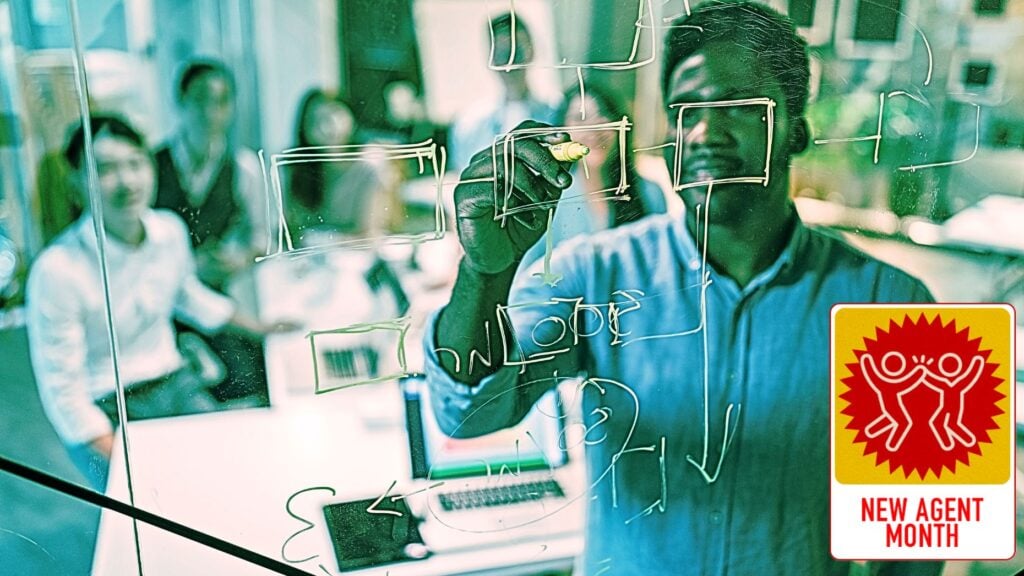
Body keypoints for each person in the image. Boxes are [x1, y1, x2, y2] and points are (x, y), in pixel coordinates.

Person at [424, 3, 940, 575]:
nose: (702, 131)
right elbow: (464, 414)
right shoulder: (595, 274)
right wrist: (484, 274)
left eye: (738, 106)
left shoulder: (896, 304)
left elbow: (923, 538)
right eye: (683, 109)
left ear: (798, 129)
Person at [26, 115, 292, 490]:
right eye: (105, 169)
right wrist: (136, 469)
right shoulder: (56, 271)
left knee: (238, 476)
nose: (127, 181)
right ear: (76, 183)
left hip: (174, 382)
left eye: (135, 163)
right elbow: (65, 396)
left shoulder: (168, 231)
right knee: (164, 507)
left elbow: (189, 297)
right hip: (107, 408)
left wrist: (265, 329)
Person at [153, 59, 269, 402]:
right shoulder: (150, 166)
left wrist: (239, 259)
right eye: (200, 99)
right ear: (181, 102)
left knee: (252, 375)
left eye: (221, 101)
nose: (210, 112)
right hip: (161, 304)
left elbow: (261, 238)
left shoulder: (243, 168)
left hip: (217, 295)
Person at [519, 83, 667, 269]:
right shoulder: (549, 200)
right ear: (561, 133)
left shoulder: (650, 193)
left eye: (603, 115)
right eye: (580, 119)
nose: (593, 128)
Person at [286, 89, 400, 245]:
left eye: (333, 115)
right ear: (304, 129)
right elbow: (294, 230)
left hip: (357, 259)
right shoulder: (299, 170)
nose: (326, 126)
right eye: (315, 119)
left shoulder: (370, 163)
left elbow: (370, 234)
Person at [447, 12, 558, 172]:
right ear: (491, 60)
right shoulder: (468, 125)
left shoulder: (557, 114)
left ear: (531, 51)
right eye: (502, 54)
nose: (510, 64)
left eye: (517, 52)